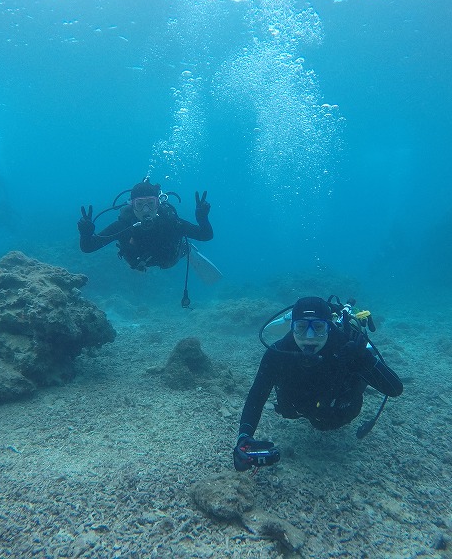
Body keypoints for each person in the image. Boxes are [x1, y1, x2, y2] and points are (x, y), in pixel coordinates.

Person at [233, 296, 404, 472]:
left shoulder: (347, 347)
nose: (309, 337)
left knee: (326, 423)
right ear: (292, 327)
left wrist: (365, 361)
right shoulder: (278, 353)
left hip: (339, 412)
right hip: (299, 407)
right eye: (301, 327)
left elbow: (395, 389)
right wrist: (244, 436)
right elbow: (256, 396)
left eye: (318, 327)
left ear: (329, 326)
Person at [77, 178, 213, 272]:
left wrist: (203, 219)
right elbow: (88, 247)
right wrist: (85, 233)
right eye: (140, 204)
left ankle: (187, 248)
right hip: (136, 262)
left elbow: (205, 235)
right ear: (132, 205)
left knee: (174, 257)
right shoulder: (122, 226)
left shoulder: (171, 222)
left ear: (158, 204)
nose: (146, 210)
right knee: (134, 262)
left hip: (169, 259)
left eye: (151, 203)